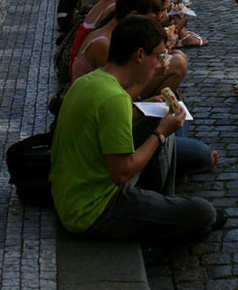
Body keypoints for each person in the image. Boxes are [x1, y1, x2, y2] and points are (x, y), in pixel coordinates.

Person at [51, 15, 226, 240]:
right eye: (159, 56)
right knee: (204, 213)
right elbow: (121, 173)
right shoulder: (114, 99)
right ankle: (164, 203)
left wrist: (149, 113)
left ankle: (161, 202)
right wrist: (161, 133)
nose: (161, 62)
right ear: (140, 55)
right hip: (94, 209)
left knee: (157, 116)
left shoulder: (91, 81)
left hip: (72, 193)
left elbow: (107, 122)